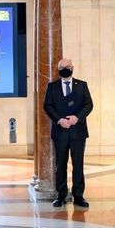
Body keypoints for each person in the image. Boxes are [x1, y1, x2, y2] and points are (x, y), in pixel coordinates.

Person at [42, 58, 93, 208]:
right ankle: (61, 195)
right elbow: (48, 106)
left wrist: (77, 118)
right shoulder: (52, 87)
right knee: (61, 164)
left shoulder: (82, 85)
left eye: (68, 66)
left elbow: (89, 104)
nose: (65, 68)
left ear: (73, 68)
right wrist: (59, 120)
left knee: (78, 164)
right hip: (60, 132)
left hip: (78, 132)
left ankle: (78, 196)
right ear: (58, 69)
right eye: (62, 67)